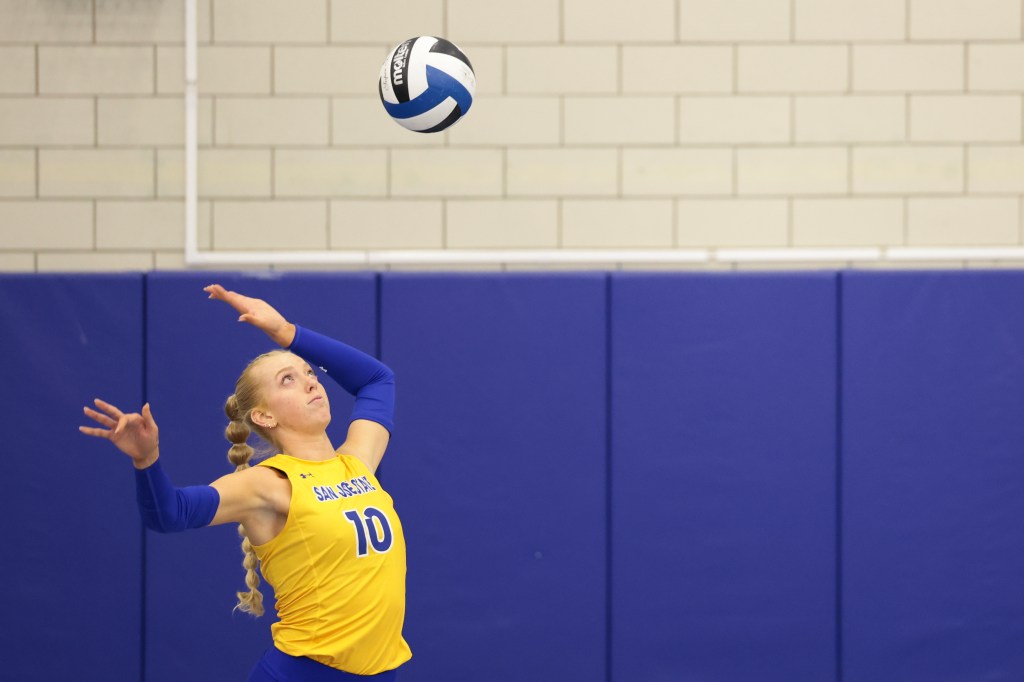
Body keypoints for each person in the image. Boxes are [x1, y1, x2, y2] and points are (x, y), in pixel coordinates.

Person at [79, 284, 411, 681]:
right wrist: (146, 459)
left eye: (309, 373)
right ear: (264, 417)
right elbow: (170, 513)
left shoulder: (357, 462)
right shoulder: (267, 484)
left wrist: (287, 332)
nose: (311, 382)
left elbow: (378, 379)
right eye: (288, 380)